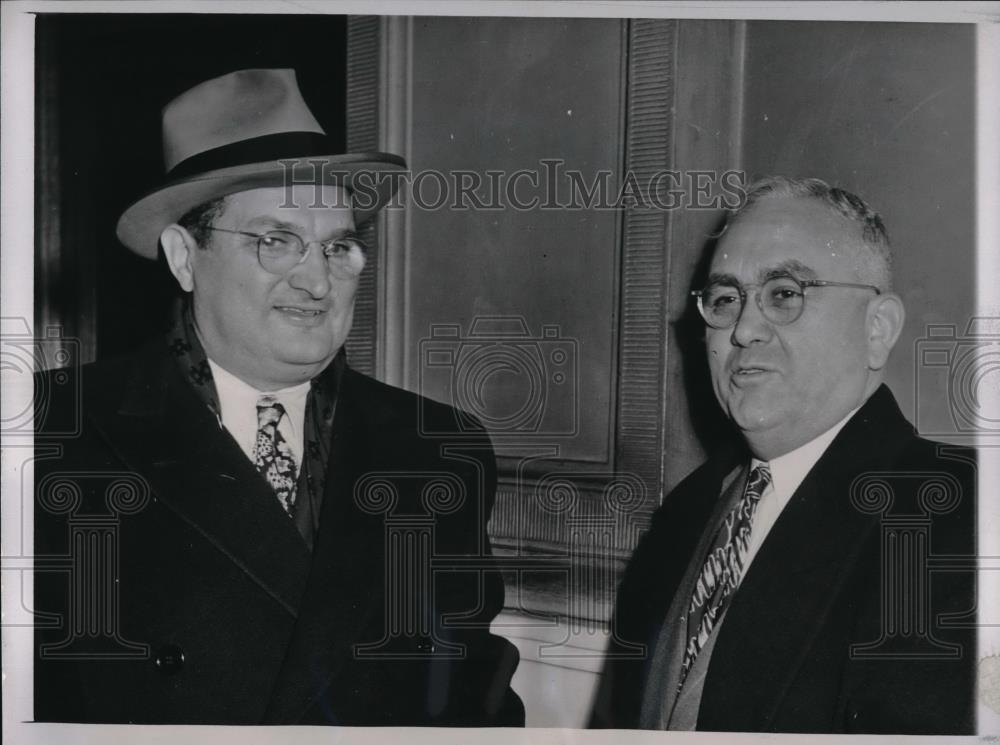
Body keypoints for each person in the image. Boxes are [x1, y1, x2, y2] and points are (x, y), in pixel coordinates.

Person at [33, 68, 524, 726]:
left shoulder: (436, 447)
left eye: (339, 245)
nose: (318, 281)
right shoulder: (52, 433)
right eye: (276, 240)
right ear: (183, 256)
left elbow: (471, 694)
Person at [590, 176, 976, 734]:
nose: (744, 329)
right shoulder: (688, 509)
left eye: (784, 293)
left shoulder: (958, 518)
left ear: (878, 328)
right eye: (724, 299)